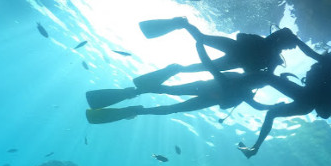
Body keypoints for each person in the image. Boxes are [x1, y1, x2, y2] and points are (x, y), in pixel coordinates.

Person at [85, 41, 275, 124]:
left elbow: (245, 103)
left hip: (205, 94)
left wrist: (269, 106)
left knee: (169, 96)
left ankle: (134, 99)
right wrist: (270, 106)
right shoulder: (242, 84)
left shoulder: (244, 87)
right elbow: (252, 104)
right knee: (169, 95)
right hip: (205, 92)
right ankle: (133, 99)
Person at [237, 51, 331, 158]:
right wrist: (286, 82)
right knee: (271, 113)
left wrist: (285, 82)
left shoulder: (325, 67)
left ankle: (239, 83)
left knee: (268, 78)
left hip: (305, 96)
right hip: (306, 106)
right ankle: (254, 149)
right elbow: (314, 88)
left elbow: (311, 88)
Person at [133, 17, 302, 89]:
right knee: (203, 54)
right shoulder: (273, 56)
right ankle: (177, 64)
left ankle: (182, 25)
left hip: (234, 52)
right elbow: (261, 76)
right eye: (289, 46)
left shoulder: (272, 54)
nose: (287, 48)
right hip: (235, 55)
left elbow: (241, 37)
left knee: (202, 45)